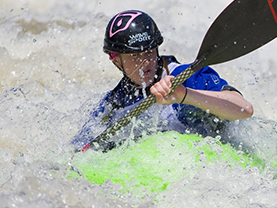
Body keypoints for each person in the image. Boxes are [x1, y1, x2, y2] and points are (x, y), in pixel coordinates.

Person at [71, 10, 253, 152]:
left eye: (150, 51)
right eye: (135, 55)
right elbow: (80, 150)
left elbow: (244, 109)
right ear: (116, 60)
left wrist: (185, 96)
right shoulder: (113, 105)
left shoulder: (185, 76)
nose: (147, 61)